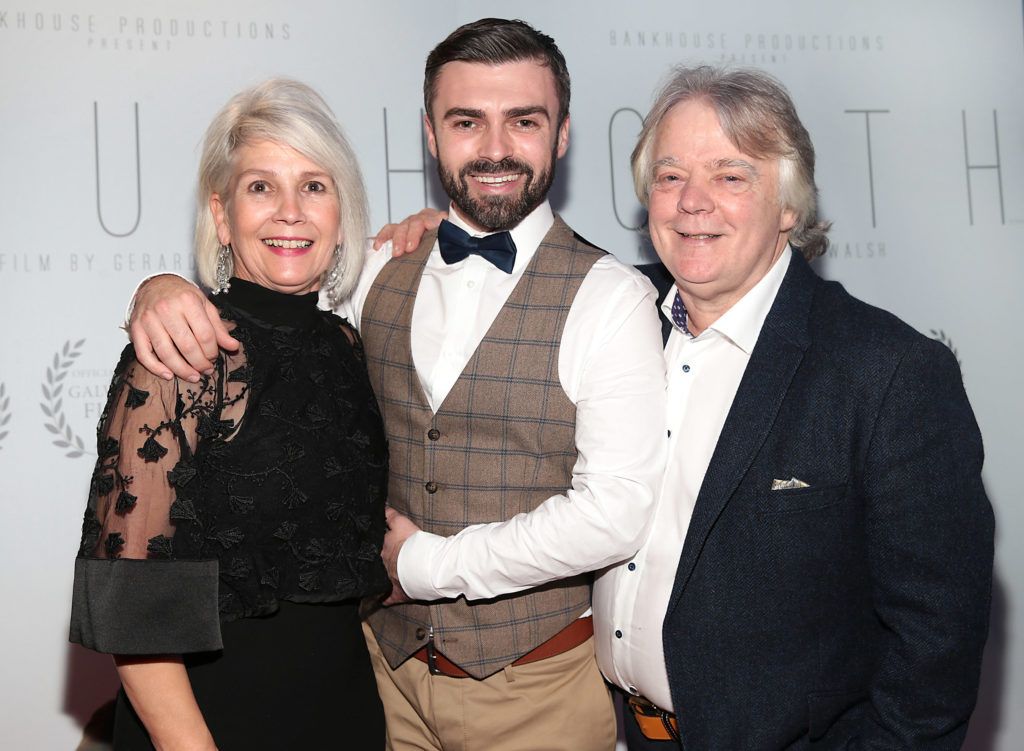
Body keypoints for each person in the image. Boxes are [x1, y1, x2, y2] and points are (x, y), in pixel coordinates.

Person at [123, 18, 666, 751]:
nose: (496, 147)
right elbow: (262, 299)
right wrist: (157, 289)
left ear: (563, 134)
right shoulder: (377, 273)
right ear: (430, 135)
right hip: (384, 685)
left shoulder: (612, 296)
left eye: (524, 120)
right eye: (466, 121)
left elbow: (613, 512)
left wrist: (428, 565)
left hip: (532, 696)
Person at [592, 66, 994, 749]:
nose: (693, 202)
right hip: (616, 730)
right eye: (669, 175)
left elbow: (937, 645)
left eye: (730, 175)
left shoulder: (888, 372)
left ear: (788, 206)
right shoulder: (612, 322)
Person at [70, 78, 390, 749]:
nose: (290, 211)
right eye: (260, 187)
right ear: (222, 216)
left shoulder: (346, 347)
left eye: (314, 185)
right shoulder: (183, 355)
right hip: (210, 725)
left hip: (346, 717)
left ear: (342, 209)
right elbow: (135, 606)